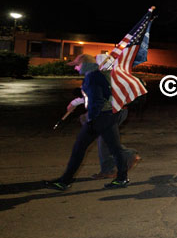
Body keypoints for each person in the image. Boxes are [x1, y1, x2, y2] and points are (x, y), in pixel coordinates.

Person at [45, 60, 129, 190]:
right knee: (116, 148)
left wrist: (91, 119)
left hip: (100, 117)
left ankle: (65, 181)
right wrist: (77, 101)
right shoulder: (104, 75)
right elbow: (100, 95)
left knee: (79, 148)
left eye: (77, 65)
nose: (76, 68)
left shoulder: (92, 76)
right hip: (110, 115)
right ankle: (122, 178)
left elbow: (97, 99)